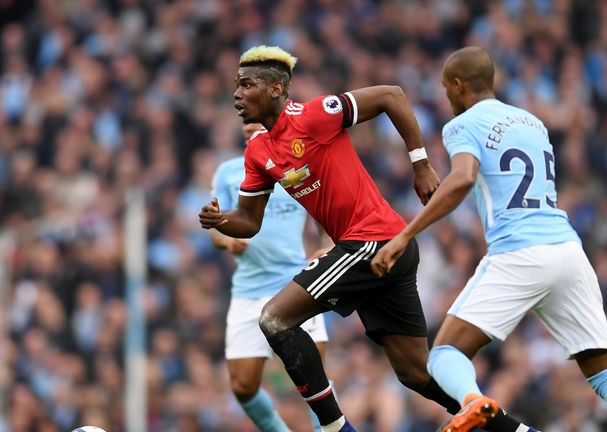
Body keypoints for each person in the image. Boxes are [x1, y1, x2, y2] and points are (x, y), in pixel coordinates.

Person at [200, 44, 531, 432]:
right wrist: (220, 220)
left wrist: (420, 163)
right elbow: (248, 221)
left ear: (276, 89)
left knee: (275, 319)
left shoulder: (312, 115)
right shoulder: (258, 151)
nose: (236, 94)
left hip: (372, 241)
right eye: (235, 86)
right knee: (414, 373)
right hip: (384, 251)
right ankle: (512, 429)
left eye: (246, 84)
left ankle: (335, 428)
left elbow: (392, 94)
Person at [371, 46, 607, 432]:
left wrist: (405, 235)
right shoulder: (532, 122)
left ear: (458, 86)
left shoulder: (462, 124)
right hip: (569, 252)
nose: (445, 97)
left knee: (443, 354)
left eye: (445, 89)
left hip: (518, 251)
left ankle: (473, 403)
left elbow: (463, 177)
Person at [210, 122, 330, 432]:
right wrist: (227, 240)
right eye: (246, 131)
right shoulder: (229, 172)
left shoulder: (298, 165)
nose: (252, 135)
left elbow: (324, 211)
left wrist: (326, 246)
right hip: (249, 290)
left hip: (295, 284)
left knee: (312, 372)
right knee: (243, 386)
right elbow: (214, 226)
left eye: (257, 129)